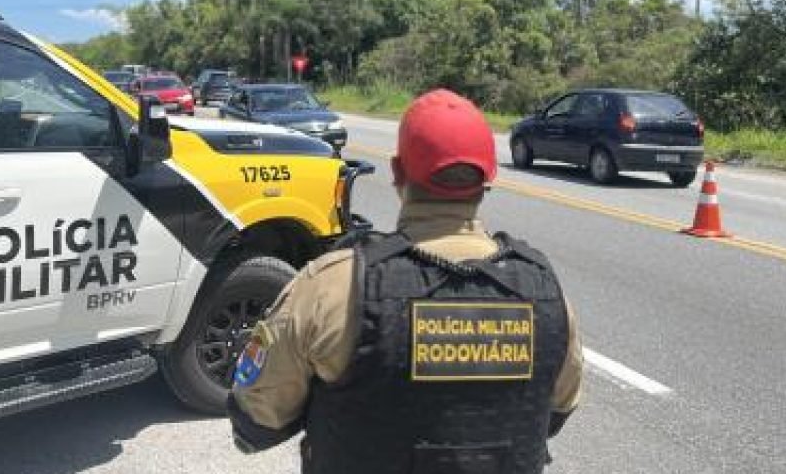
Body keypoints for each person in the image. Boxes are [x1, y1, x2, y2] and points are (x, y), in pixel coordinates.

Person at [228, 88, 584, 474]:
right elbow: (555, 412)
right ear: (487, 180)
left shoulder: (333, 286)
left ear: (398, 172)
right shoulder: (546, 291)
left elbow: (257, 420)